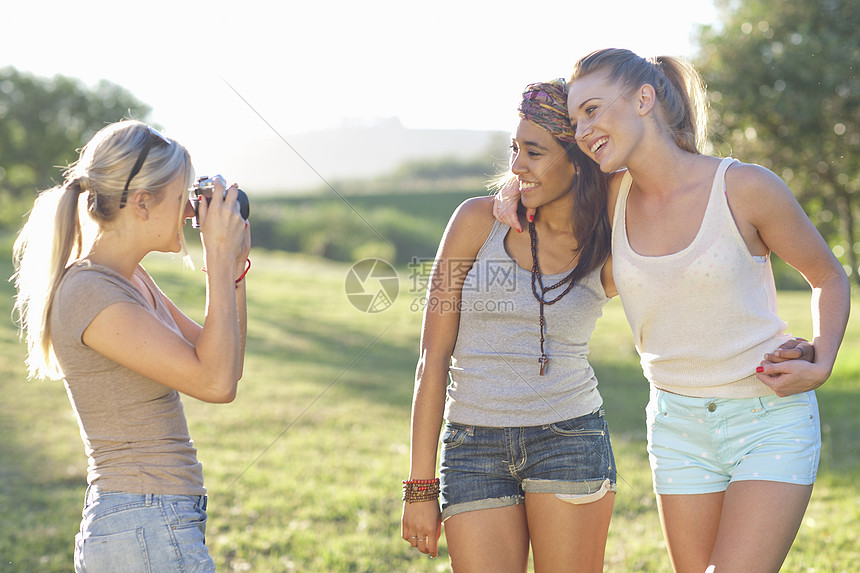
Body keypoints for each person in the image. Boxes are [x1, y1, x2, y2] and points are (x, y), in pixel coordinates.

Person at [497, 48, 850, 573]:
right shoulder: (609, 196)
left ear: (644, 99)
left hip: (768, 418)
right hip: (676, 426)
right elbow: (544, 174)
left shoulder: (745, 187)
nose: (584, 129)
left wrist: (821, 359)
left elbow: (827, 275)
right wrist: (513, 186)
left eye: (592, 110)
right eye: (576, 120)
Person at [12, 120, 251, 572]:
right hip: (143, 522)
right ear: (142, 202)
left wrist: (234, 270)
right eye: (183, 198)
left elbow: (226, 364)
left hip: (153, 522)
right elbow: (216, 384)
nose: (190, 212)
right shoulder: (90, 291)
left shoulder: (130, 279)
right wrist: (216, 261)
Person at [401, 79, 617, 573]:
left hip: (569, 439)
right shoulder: (476, 221)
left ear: (579, 157)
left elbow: (655, 176)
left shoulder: (607, 238)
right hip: (473, 448)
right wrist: (419, 486)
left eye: (535, 152)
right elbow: (432, 357)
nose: (517, 165)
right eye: (515, 149)